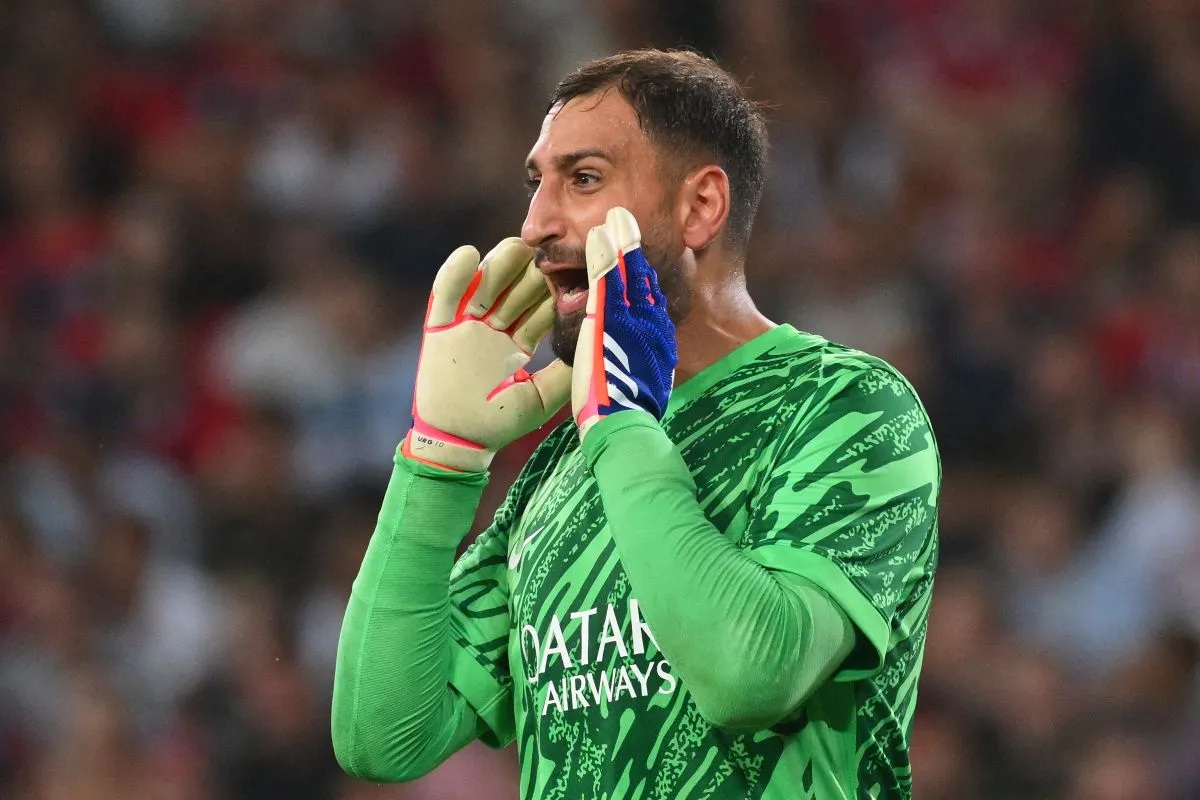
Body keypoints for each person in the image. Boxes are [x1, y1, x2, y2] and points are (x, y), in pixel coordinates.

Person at [331, 48, 941, 799]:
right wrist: (438, 462)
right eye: (537, 185)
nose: (535, 225)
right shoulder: (559, 470)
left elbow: (750, 674)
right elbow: (383, 732)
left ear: (700, 207)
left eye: (582, 180)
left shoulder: (846, 407)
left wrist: (621, 428)